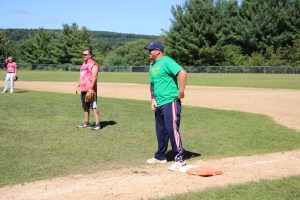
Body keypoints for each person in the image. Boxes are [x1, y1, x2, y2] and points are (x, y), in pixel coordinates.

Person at [144, 41, 188, 171]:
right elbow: (152, 84)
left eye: (150, 50)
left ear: (158, 51)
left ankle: (180, 158)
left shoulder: (167, 61)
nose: (149, 52)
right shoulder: (152, 66)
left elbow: (182, 73)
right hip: (159, 103)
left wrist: (181, 91)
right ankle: (160, 156)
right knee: (161, 131)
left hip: (170, 101)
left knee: (172, 129)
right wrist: (153, 99)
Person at [75, 49, 101, 130]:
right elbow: (81, 76)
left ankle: (98, 124)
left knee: (94, 106)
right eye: (83, 54)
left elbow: (95, 76)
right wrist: (77, 86)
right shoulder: (83, 65)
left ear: (90, 55)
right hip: (83, 88)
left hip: (91, 89)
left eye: (85, 54)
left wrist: (91, 88)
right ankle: (86, 123)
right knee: (85, 107)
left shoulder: (93, 64)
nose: (83, 56)